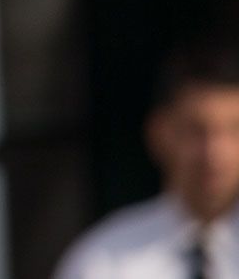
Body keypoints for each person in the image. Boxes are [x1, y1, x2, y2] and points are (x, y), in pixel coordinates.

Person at [55, 46, 239, 279]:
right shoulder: (103, 259)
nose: (215, 153)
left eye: (234, 130)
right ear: (159, 133)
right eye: (196, 130)